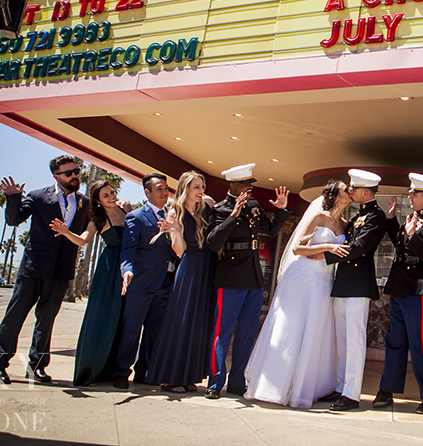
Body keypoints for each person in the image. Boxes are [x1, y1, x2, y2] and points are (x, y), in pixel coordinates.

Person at [244, 179, 351, 408]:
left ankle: (305, 386)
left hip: (323, 282)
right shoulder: (318, 217)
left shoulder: (344, 224)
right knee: (289, 329)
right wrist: (328, 247)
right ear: (334, 193)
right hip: (302, 278)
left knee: (315, 332)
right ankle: (275, 384)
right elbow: (297, 249)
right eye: (346, 189)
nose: (350, 192)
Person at [0, 155, 92, 385]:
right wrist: (13, 197)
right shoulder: (37, 196)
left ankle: (37, 367)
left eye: (76, 172)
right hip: (33, 268)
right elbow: (14, 220)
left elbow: (85, 233)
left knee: (46, 321)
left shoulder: (85, 203)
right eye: (68, 173)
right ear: (56, 176)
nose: (74, 176)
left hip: (61, 271)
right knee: (15, 316)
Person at [204, 163, 291, 399]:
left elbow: (271, 231)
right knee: (222, 332)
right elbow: (212, 243)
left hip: (253, 276)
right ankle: (215, 382)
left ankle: (236, 381)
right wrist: (232, 217)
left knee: (247, 332)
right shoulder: (220, 210)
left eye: (250, 184)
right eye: (245, 185)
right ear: (233, 185)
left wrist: (281, 211)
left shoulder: (253, 207)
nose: (249, 189)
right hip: (230, 276)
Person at [373, 173, 423, 414]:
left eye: (414, 193)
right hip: (401, 288)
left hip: (419, 290)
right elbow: (400, 246)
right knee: (395, 341)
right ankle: (387, 390)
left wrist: (413, 235)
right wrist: (393, 221)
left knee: (420, 345)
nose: (410, 196)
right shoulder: (414, 218)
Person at [322, 169, 387, 411]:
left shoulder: (376, 216)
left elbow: (359, 247)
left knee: (355, 341)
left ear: (363, 191)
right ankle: (340, 387)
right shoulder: (358, 215)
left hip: (359, 283)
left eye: (353, 188)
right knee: (342, 340)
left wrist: (324, 254)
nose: (350, 191)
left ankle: (351, 394)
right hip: (344, 281)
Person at [149, 171, 218, 393]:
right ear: (185, 188)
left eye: (202, 187)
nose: (201, 191)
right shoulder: (174, 212)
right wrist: (177, 232)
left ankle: (191, 377)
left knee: (199, 322)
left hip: (209, 267)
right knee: (183, 320)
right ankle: (173, 378)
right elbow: (179, 251)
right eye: (196, 187)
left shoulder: (206, 207)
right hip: (190, 268)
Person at [113, 173, 183, 389]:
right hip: (141, 284)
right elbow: (128, 251)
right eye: (159, 189)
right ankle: (121, 372)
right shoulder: (136, 217)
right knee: (132, 330)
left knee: (154, 332)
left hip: (165, 284)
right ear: (147, 192)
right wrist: (127, 271)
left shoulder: (172, 216)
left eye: (166, 189)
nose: (165, 193)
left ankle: (144, 372)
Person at [73, 179, 132, 386]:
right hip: (109, 270)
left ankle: (113, 370)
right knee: (103, 316)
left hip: (129, 267)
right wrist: (64, 232)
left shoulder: (126, 208)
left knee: (122, 319)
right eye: (106, 195)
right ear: (98, 201)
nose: (112, 196)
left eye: (112, 191)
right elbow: (82, 240)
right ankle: (90, 368)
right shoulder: (97, 219)